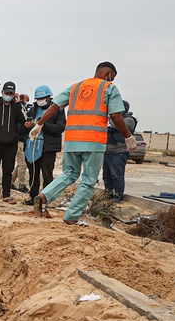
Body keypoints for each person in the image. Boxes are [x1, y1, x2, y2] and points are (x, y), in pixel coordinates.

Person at [32, 62, 137, 224]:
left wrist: (39, 124)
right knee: (88, 180)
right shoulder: (109, 88)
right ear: (107, 73)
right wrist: (128, 136)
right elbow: (116, 116)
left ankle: (43, 196)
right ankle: (72, 217)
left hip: (72, 141)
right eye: (112, 78)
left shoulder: (75, 87)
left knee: (69, 173)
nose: (112, 81)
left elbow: (54, 107)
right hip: (94, 141)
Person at [0, 81, 28, 203]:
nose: (8, 95)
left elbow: (22, 122)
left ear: (14, 94)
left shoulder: (16, 106)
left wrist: (18, 103)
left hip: (11, 144)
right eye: (6, 92)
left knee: (7, 171)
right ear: (2, 92)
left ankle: (6, 195)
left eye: (11, 93)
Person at [25, 84, 64, 200]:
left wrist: (43, 125)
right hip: (32, 147)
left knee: (47, 175)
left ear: (48, 98)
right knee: (33, 174)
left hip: (48, 148)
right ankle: (33, 198)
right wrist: (27, 126)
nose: (40, 101)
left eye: (42, 99)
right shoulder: (32, 110)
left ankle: (45, 199)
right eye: (38, 99)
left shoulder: (58, 110)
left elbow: (60, 128)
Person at [102, 100, 137, 203]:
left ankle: (118, 196)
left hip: (119, 152)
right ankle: (108, 195)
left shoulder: (129, 120)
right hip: (107, 152)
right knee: (107, 176)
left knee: (117, 176)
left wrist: (112, 116)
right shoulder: (110, 120)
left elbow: (116, 124)